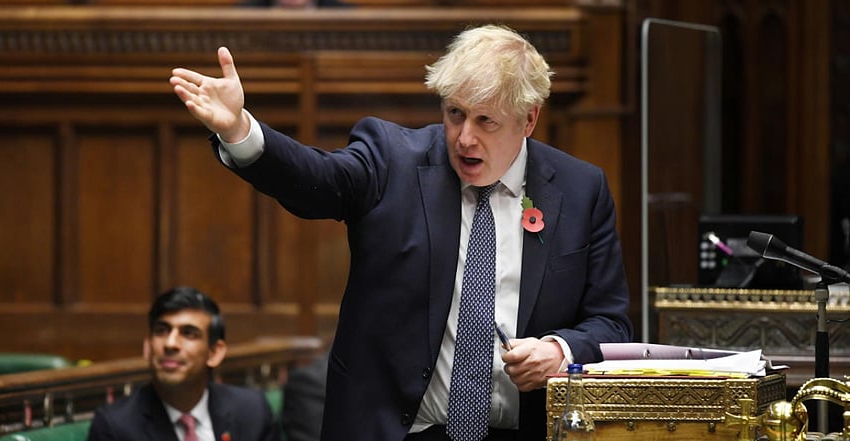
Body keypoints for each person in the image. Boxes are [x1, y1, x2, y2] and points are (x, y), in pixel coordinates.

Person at [170, 24, 632, 441]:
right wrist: (240, 130)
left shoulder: (579, 190)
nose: (465, 138)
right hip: (403, 431)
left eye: (485, 121)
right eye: (455, 113)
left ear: (528, 119)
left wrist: (561, 349)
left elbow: (610, 323)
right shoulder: (392, 159)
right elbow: (317, 181)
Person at [86, 286, 279, 441]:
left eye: (188, 333)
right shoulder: (116, 427)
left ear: (214, 353)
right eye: (161, 331)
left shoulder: (252, 411)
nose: (170, 344)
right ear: (148, 347)